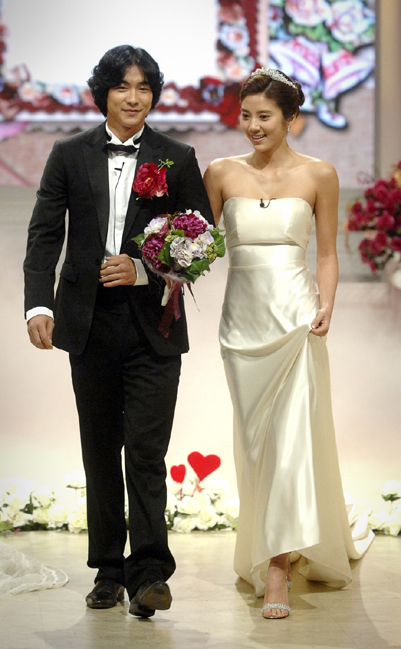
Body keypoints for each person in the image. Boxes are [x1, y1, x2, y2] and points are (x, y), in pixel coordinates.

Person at [24, 45, 213, 618]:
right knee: (101, 451)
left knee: (147, 453)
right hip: (87, 324)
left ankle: (150, 573)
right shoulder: (68, 153)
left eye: (144, 87)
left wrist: (144, 268)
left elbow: (202, 240)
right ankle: (107, 570)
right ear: (103, 92)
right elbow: (44, 234)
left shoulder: (177, 157)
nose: (134, 98)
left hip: (154, 325)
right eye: (123, 87)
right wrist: (38, 305)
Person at [203, 67, 373, 619]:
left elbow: (325, 253)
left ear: (291, 118)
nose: (253, 126)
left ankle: (278, 568)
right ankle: (271, 540)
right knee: (256, 445)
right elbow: (196, 243)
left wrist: (326, 304)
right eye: (246, 116)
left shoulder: (320, 174)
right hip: (242, 324)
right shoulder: (220, 172)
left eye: (265, 117)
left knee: (293, 439)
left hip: (297, 319)